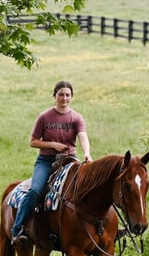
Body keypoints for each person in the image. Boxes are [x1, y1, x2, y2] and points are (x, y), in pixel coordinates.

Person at [11, 80, 93, 245]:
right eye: (61, 95)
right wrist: (52, 145)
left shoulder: (76, 117)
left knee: (89, 188)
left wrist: (87, 153)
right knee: (35, 190)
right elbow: (33, 141)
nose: (64, 98)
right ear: (55, 96)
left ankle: (99, 228)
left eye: (67, 95)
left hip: (70, 160)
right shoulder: (45, 116)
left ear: (72, 97)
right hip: (46, 161)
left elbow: (83, 137)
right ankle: (17, 228)